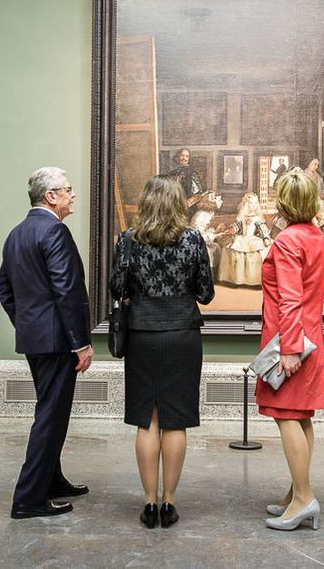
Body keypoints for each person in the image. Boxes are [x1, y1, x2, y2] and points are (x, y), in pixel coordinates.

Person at [109, 175, 214, 529]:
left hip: (141, 334)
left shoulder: (128, 240)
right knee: (175, 419)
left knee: (147, 418)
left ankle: (149, 503)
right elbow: (205, 293)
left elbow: (116, 287)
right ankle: (169, 502)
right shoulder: (193, 239)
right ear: (178, 203)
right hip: (182, 335)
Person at [0, 166, 95, 520]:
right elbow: (67, 292)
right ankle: (28, 498)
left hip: (36, 340)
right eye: (67, 189)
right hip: (57, 343)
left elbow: (3, 288)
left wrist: (28, 323)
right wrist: (80, 343)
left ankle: (52, 481)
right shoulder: (55, 231)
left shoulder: (16, 234)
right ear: (50, 196)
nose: (72, 195)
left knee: (50, 413)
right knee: (50, 419)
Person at [255, 170, 324, 531]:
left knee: (286, 415)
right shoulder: (317, 236)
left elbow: (289, 299)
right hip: (311, 337)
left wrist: (288, 349)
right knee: (302, 416)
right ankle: (295, 492)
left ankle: (303, 498)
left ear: (283, 203)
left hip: (291, 341)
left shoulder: (286, 240)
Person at [217, 192, 271, 287]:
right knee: (232, 249)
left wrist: (265, 238)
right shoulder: (242, 217)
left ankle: (253, 280)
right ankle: (237, 279)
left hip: (252, 239)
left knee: (255, 253)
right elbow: (237, 226)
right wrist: (233, 230)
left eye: (255, 203)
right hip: (242, 238)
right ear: (246, 204)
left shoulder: (257, 218)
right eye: (251, 203)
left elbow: (263, 229)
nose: (253, 206)